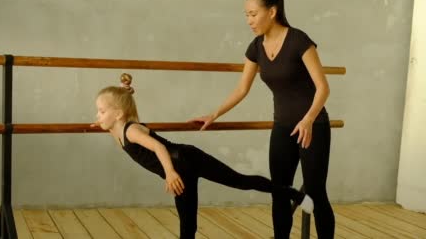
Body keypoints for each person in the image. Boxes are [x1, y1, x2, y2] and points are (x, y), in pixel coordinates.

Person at [191, 0, 335, 238]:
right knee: (279, 190)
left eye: (253, 14)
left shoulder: (299, 40)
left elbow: (323, 88)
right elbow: (241, 89)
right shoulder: (255, 47)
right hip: (282, 127)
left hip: (313, 126)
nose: (248, 20)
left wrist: (309, 120)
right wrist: (214, 114)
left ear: (272, 11)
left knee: (315, 191)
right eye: (246, 14)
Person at [93, 73, 313, 239]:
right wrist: (107, 117)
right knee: (188, 220)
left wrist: (169, 173)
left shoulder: (131, 130)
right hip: (182, 165)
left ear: (118, 114)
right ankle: (293, 193)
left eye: (102, 112)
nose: (98, 115)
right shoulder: (120, 127)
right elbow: (119, 120)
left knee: (240, 181)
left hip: (183, 162)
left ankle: (293, 193)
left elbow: (158, 148)